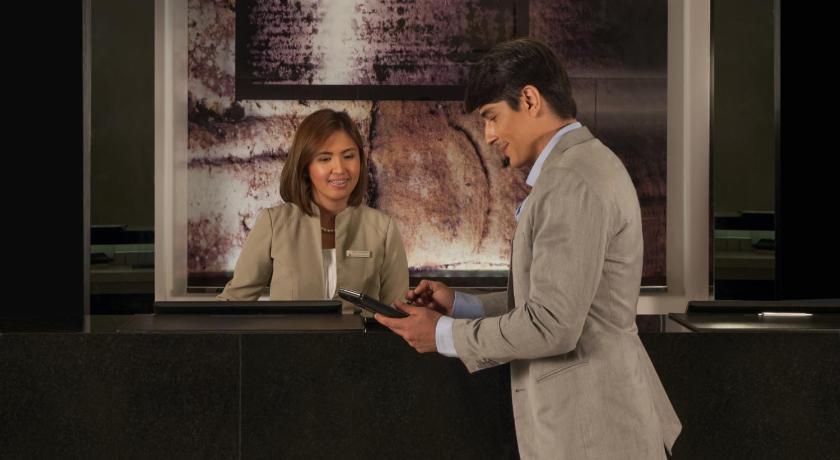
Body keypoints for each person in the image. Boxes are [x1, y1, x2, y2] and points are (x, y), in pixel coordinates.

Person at [375, 38, 682, 459]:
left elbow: (552, 324)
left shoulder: (572, 180)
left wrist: (444, 335)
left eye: (492, 117)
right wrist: (461, 305)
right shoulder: (579, 168)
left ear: (530, 99)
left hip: (593, 431)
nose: (488, 136)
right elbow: (560, 300)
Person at [218, 108, 409, 314]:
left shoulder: (384, 229)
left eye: (348, 156)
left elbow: (399, 314)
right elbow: (234, 302)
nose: (340, 169)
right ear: (305, 166)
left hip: (361, 337)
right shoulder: (273, 223)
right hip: (290, 337)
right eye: (325, 158)